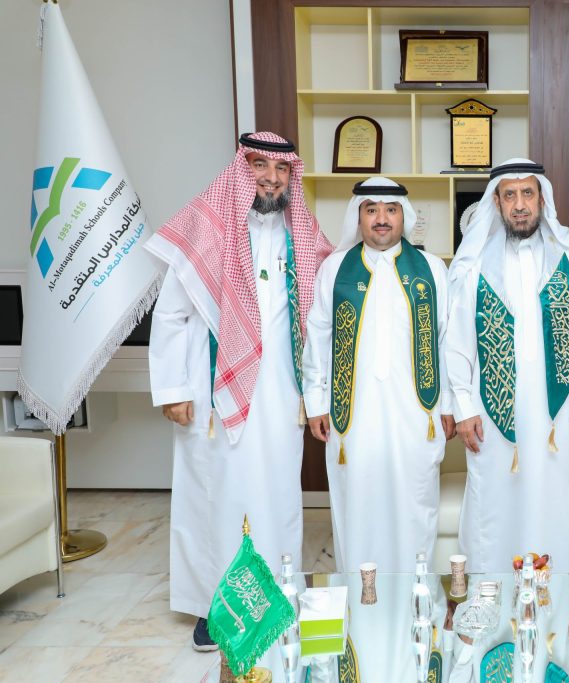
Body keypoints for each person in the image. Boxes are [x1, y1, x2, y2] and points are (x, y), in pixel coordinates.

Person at [146, 132, 333, 650]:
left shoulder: (301, 233)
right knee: (216, 498)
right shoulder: (207, 227)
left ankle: (278, 594)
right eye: (259, 166)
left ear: (291, 176)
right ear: (240, 169)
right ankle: (214, 607)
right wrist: (172, 389)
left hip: (280, 394)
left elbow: (321, 314)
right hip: (214, 393)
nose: (271, 178)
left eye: (281, 169)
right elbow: (171, 313)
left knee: (278, 493)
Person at [446, 158, 569, 573]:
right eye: (509, 195)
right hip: (491, 412)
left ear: (542, 199)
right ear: (496, 202)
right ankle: (491, 590)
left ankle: (558, 591)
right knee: (494, 496)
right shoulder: (473, 265)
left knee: (559, 492)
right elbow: (457, 343)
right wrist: (464, 408)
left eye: (527, 193)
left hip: (558, 410)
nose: (519, 205)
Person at [302, 177, 454, 572]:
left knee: (415, 505)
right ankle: (360, 597)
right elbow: (317, 338)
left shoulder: (432, 269)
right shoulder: (335, 269)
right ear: (358, 217)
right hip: (355, 416)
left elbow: (447, 342)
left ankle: (415, 596)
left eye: (390, 210)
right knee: (357, 504)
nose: (381, 219)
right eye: (371, 210)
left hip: (417, 416)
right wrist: (316, 401)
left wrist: (450, 406)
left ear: (405, 216)